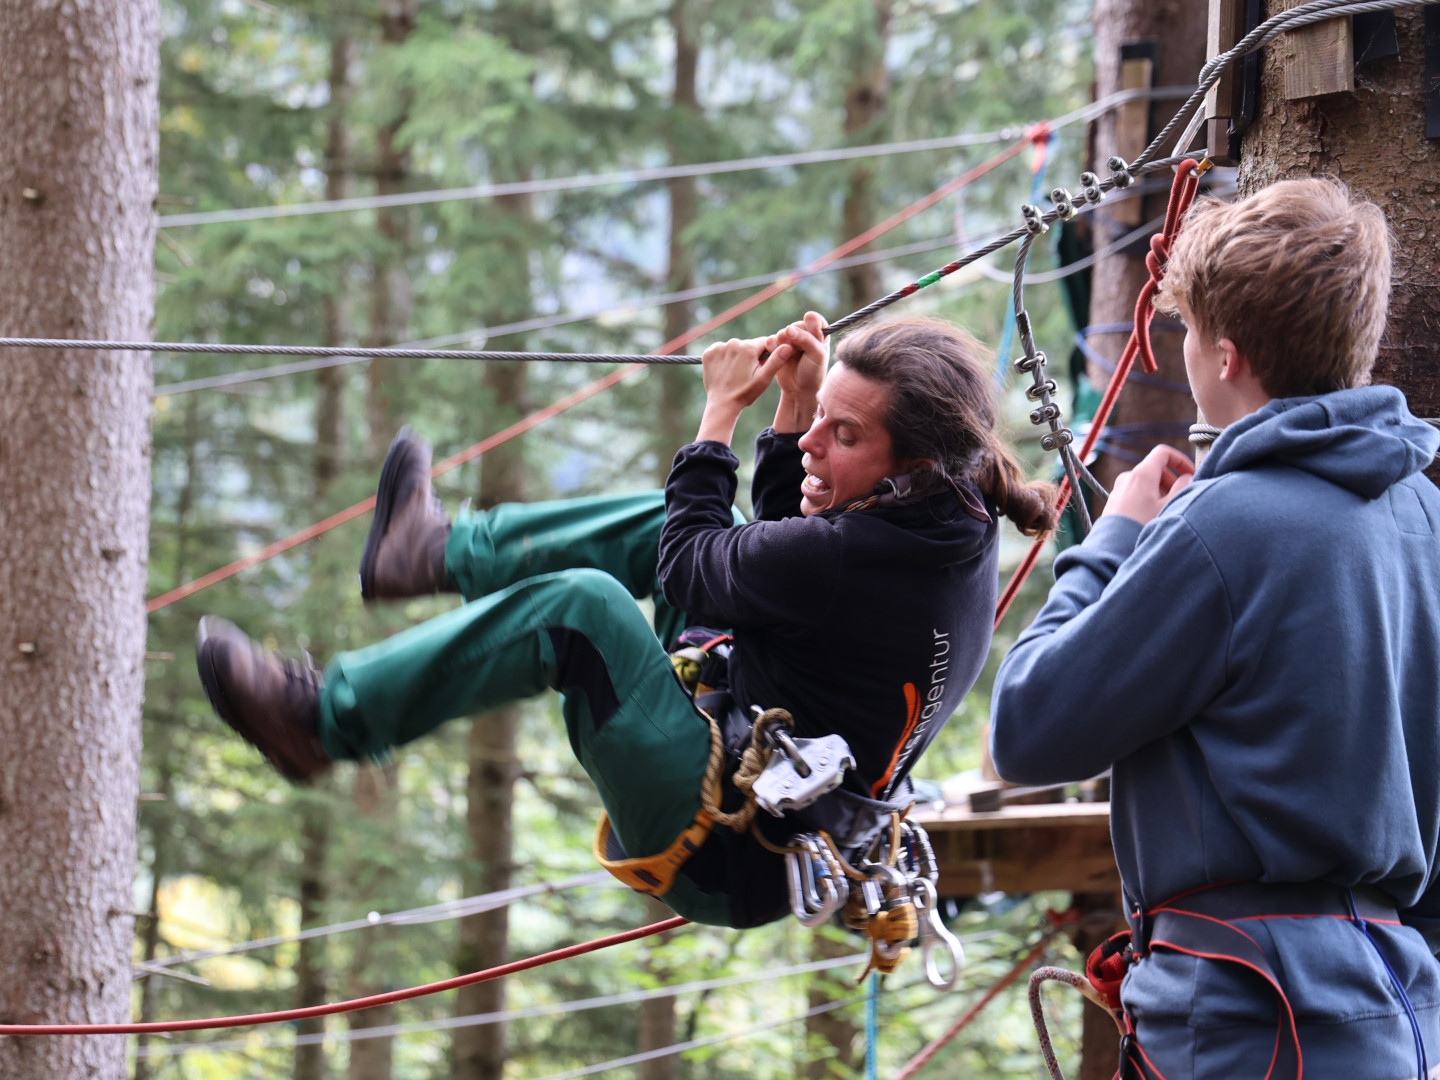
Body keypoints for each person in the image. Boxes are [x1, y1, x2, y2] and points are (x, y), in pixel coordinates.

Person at [196, 311, 1057, 929]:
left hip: (727, 844)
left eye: (844, 434)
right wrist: (796, 412)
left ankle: (322, 723)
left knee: (588, 606)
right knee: (676, 519)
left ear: (907, 461)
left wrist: (720, 415)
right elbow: (778, 567)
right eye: (821, 425)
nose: (814, 449)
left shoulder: (860, 555)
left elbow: (723, 564)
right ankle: (432, 552)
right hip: (756, 755)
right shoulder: (950, 514)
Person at [990, 178, 1440, 1078]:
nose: (1184, 351)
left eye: (1187, 332)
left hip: (1244, 1022)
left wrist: (1114, 537)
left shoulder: (1224, 526)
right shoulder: (1424, 514)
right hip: (1398, 1016)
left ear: (1225, 356)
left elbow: (1028, 729)